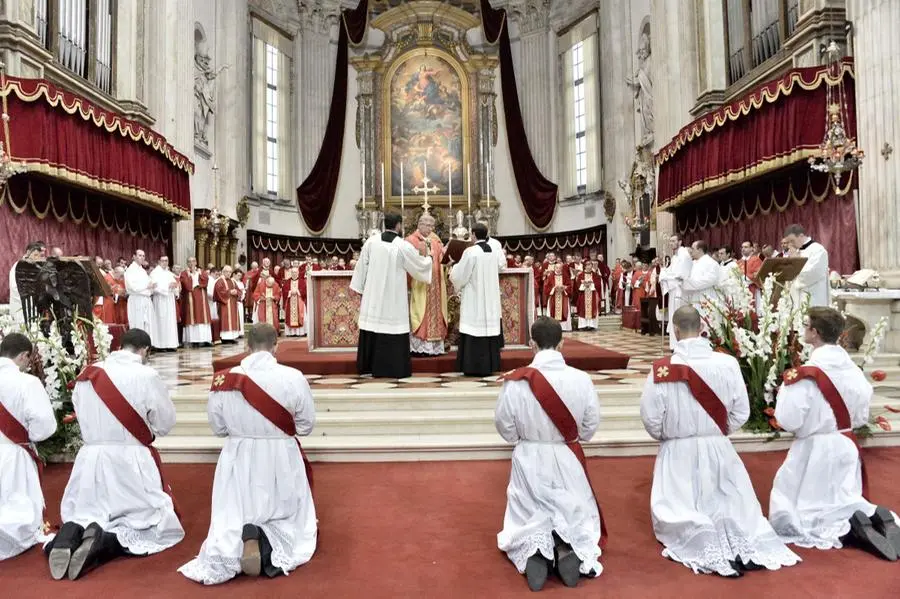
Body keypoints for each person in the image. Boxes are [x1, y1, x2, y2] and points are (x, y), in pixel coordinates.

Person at [640, 306, 801, 577]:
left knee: (680, 509)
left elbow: (651, 417)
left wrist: (669, 438)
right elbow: (741, 411)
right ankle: (741, 543)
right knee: (731, 504)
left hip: (678, 451)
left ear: (676, 331)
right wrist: (717, 431)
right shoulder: (727, 363)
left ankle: (704, 539)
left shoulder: (662, 371)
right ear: (702, 327)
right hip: (718, 447)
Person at [179, 324, 316, 584]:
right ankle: (262, 539)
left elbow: (218, 428)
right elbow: (307, 425)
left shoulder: (223, 379)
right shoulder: (293, 376)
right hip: (280, 455)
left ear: (247, 346)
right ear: (276, 345)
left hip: (238, 455)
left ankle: (240, 536)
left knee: (233, 512)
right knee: (288, 515)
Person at [47, 328, 183, 580]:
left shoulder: (87, 374)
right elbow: (165, 422)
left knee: (86, 510)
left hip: (91, 459)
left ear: (121, 345)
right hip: (130, 460)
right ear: (145, 351)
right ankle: (103, 541)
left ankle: (68, 535)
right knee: (151, 523)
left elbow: (78, 409)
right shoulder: (146, 374)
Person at [770, 307, 900, 559]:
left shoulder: (804, 376)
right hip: (845, 444)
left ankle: (848, 530)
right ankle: (873, 516)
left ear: (814, 333)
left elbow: (788, 420)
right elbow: (861, 415)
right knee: (844, 495)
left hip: (812, 450)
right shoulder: (854, 372)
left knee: (801, 513)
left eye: (805, 324)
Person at [496, 317, 604, 590]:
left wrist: (522, 440)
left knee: (529, 511)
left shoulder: (516, 382)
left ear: (532, 345)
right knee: (570, 508)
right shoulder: (581, 379)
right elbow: (590, 427)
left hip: (529, 457)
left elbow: (504, 426)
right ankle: (566, 546)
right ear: (562, 343)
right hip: (566, 456)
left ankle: (535, 551)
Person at [350, 211, 432, 378]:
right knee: (392, 327)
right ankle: (393, 368)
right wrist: (429, 257)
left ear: (383, 224)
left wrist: (360, 290)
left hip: (373, 297)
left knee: (372, 325)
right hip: (393, 299)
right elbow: (419, 266)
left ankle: (368, 366)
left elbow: (361, 268)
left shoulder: (371, 243)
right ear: (398, 225)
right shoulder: (402, 246)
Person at [0, 333, 57, 561]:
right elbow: (44, 425)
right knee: (15, 507)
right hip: (14, 454)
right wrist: (30, 437)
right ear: (24, 355)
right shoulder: (27, 382)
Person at [449, 222, 502, 377]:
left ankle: (473, 366)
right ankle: (490, 365)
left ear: (473, 235)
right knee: (488, 331)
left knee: (474, 329)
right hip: (490, 298)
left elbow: (461, 275)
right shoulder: (493, 251)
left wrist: (453, 269)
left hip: (475, 297)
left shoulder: (470, 252)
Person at [406, 214, 449, 356]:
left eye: (432, 226)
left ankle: (434, 346)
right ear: (420, 224)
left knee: (437, 313)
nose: (431, 229)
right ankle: (420, 348)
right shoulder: (411, 241)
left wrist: (449, 255)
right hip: (421, 285)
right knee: (420, 312)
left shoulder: (435, 242)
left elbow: (443, 260)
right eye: (428, 225)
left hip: (436, 284)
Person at [658, 234, 693, 350]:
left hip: (680, 290)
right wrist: (664, 271)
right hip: (674, 289)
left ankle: (681, 344)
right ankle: (674, 344)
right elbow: (671, 271)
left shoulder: (684, 255)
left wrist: (666, 276)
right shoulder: (675, 257)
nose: (671, 243)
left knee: (679, 316)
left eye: (673, 241)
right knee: (673, 316)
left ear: (680, 242)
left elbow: (681, 275)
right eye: (670, 241)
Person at [783, 224, 830, 308]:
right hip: (796, 298)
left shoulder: (818, 250)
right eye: (788, 242)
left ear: (801, 236)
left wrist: (796, 261)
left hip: (813, 297)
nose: (790, 245)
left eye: (792, 241)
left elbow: (810, 274)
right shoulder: (794, 251)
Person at [180, 257, 213, 347]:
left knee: (203, 316)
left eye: (193, 261)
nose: (191, 263)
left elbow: (205, 281)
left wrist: (198, 276)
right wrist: (191, 277)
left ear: (196, 262)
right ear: (187, 263)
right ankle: (193, 340)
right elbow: (187, 286)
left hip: (201, 298)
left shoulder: (201, 272)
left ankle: (205, 339)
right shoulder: (184, 273)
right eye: (189, 262)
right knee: (192, 317)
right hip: (190, 299)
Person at [149, 256, 179, 351]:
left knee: (170, 322)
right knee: (161, 321)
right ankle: (161, 345)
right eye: (163, 261)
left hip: (170, 300)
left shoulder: (169, 273)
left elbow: (176, 285)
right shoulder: (154, 273)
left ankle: (171, 344)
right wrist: (167, 286)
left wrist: (175, 287)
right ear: (158, 261)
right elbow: (154, 287)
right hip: (160, 299)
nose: (165, 262)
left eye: (166, 261)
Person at [124, 250, 156, 333]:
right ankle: (138, 344)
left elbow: (149, 284)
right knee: (137, 322)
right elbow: (132, 286)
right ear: (134, 257)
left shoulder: (142, 271)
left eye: (143, 256)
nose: (142, 257)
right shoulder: (130, 270)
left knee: (147, 323)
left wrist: (152, 286)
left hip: (146, 299)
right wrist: (146, 286)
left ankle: (146, 343)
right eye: (140, 255)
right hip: (136, 299)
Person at [682, 241, 720, 308]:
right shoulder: (693, 263)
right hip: (694, 299)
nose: (691, 251)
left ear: (699, 250)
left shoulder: (711, 263)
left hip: (707, 299)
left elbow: (709, 280)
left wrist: (686, 282)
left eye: (693, 249)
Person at [214, 266, 242, 343]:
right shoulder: (220, 281)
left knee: (233, 320)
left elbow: (239, 291)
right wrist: (229, 292)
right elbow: (219, 292)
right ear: (223, 272)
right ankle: (224, 338)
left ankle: (232, 337)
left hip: (233, 304)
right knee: (226, 320)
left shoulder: (232, 281)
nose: (229, 273)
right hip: (224, 305)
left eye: (230, 272)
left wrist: (237, 292)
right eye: (227, 272)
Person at [574, 261, 604, 330]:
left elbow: (598, 285)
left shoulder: (595, 275)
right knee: (583, 309)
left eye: (590, 265)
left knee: (592, 308)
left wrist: (591, 284)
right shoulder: (581, 275)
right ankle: (583, 326)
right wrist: (583, 285)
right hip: (583, 295)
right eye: (587, 265)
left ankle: (591, 325)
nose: (589, 266)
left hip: (593, 295)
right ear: (585, 266)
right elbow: (577, 285)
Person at [544, 263, 572, 332]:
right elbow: (546, 287)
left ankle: (564, 327)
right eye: (557, 268)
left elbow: (569, 286)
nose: (558, 269)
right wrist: (554, 288)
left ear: (562, 268)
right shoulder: (551, 276)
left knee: (564, 310)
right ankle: (552, 328)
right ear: (554, 268)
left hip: (563, 297)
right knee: (552, 311)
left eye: (560, 268)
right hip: (553, 297)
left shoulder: (565, 276)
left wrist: (564, 287)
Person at [282, 267, 306, 337]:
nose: (294, 274)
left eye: (295, 272)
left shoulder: (302, 281)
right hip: (290, 302)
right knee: (290, 316)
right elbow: (284, 291)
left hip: (299, 302)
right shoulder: (287, 282)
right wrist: (289, 292)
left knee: (300, 316)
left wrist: (298, 291)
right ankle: (291, 333)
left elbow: (305, 291)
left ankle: (300, 332)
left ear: (298, 273)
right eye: (292, 272)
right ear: (290, 273)